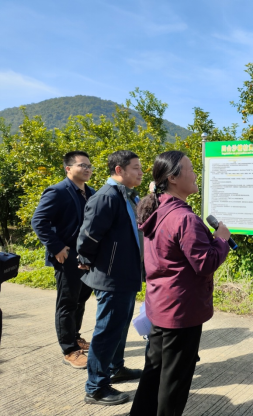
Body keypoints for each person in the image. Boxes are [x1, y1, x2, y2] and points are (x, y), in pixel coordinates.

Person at [129, 150, 230, 416]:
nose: (196, 174)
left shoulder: (157, 210)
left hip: (160, 305)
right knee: (174, 383)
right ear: (172, 178)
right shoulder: (184, 218)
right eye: (191, 169)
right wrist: (221, 239)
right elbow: (205, 263)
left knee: (154, 373)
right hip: (181, 311)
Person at [77, 150, 144, 406]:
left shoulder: (126, 195)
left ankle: (116, 368)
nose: (140, 172)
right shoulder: (106, 197)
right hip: (111, 275)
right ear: (119, 170)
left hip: (126, 273)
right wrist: (87, 259)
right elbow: (88, 236)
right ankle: (96, 387)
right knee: (106, 331)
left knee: (120, 326)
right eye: (136, 168)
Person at [31, 151, 95, 369]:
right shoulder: (57, 191)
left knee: (81, 299)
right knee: (67, 302)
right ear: (68, 168)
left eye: (89, 165)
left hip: (86, 257)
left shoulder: (90, 192)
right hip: (67, 257)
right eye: (82, 165)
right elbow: (39, 221)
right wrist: (56, 247)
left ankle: (75, 336)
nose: (87, 169)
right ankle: (69, 349)